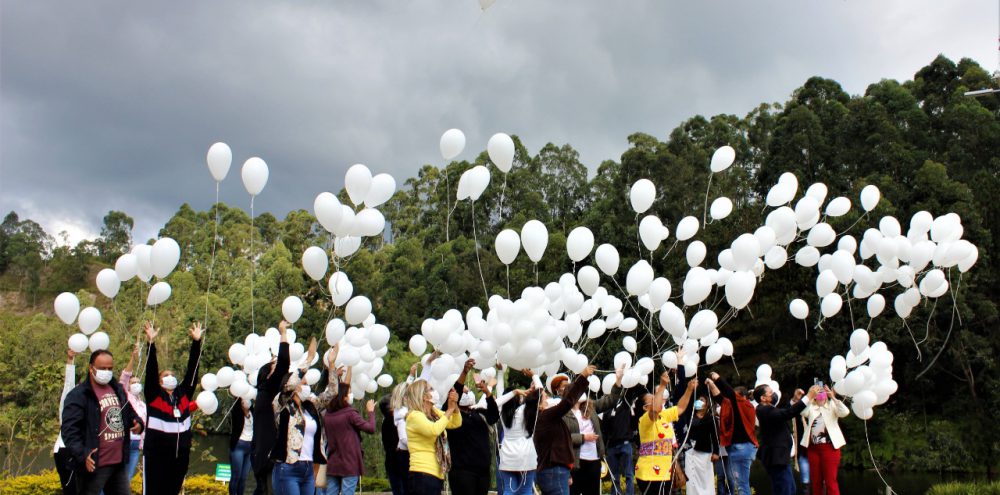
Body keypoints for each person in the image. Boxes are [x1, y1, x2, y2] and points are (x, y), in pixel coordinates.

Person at [61, 348, 144, 495]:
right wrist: (82, 454)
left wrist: (137, 422)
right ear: (91, 368)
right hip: (94, 464)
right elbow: (69, 431)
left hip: (118, 461)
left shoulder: (117, 389)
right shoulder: (79, 395)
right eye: (102, 368)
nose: (106, 371)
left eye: (110, 368)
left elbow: (128, 411)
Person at [142, 320, 203, 495]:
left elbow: (193, 370)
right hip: (156, 456)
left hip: (180, 456)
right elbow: (151, 371)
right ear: (160, 382)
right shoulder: (154, 396)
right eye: (166, 376)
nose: (170, 377)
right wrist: (151, 344)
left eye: (172, 375)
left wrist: (196, 342)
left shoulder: (183, 394)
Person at [270, 339, 326, 495]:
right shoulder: (281, 404)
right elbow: (290, 385)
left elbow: (330, 395)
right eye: (303, 382)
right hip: (288, 468)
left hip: (307, 469)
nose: (306, 385)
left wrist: (332, 368)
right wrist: (309, 359)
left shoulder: (310, 407)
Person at [533, 365, 596, 495]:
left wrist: (567, 474)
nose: (548, 399)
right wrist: (582, 377)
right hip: (554, 471)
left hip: (554, 470)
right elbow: (567, 402)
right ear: (540, 404)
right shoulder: (546, 415)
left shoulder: (542, 418)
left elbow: (555, 446)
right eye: (545, 398)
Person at [635, 372, 695, 495]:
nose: (659, 399)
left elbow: (680, 408)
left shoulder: (664, 415)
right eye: (654, 399)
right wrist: (662, 386)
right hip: (649, 474)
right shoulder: (645, 419)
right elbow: (655, 409)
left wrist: (689, 390)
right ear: (645, 407)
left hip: (665, 471)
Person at [567, 367, 623, 495]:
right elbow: (564, 437)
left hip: (594, 459)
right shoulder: (564, 413)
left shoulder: (589, 407)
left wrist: (618, 379)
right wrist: (583, 437)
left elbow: (610, 400)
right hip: (576, 461)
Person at [753, 383, 818, 495]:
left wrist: (794, 400)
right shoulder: (764, 410)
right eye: (770, 393)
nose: (773, 394)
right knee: (785, 489)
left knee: (789, 488)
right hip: (776, 457)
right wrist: (809, 397)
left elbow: (782, 413)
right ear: (763, 398)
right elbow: (787, 413)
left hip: (779, 457)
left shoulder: (767, 409)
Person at [252, 321, 293, 495]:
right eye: (273, 367)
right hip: (269, 458)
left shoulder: (265, 395)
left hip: (264, 456)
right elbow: (284, 362)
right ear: (268, 375)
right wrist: (283, 332)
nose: (279, 370)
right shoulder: (268, 391)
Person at [448, 361, 500, 495]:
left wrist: (488, 393)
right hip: (462, 471)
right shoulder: (451, 414)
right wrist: (465, 372)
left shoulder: (478, 412)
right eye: (464, 390)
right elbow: (457, 388)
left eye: (468, 390)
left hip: (482, 471)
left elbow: (494, 416)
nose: (467, 391)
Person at [404, 380, 461, 495]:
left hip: (435, 473)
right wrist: (449, 410)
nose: (434, 392)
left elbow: (455, 423)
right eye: (431, 389)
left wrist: (454, 406)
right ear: (424, 396)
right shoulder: (414, 416)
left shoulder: (433, 412)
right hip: (422, 473)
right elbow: (434, 430)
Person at [323, 375, 377, 495]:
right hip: (350, 463)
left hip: (333, 463)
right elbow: (371, 428)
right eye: (349, 393)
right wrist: (371, 412)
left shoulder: (327, 415)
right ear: (344, 396)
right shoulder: (350, 414)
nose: (351, 395)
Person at [705, 372, 757, 495]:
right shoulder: (732, 405)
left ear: (742, 397)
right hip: (736, 447)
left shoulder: (745, 405)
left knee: (742, 485)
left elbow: (728, 394)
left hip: (742, 447)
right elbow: (720, 398)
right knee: (741, 484)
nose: (730, 398)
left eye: (734, 396)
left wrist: (716, 377)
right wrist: (712, 385)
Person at [496, 371, 541, 495]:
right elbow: (540, 391)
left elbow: (499, 398)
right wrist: (534, 375)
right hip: (526, 457)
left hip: (507, 457)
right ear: (518, 398)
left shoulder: (502, 412)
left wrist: (500, 373)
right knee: (526, 490)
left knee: (508, 490)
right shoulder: (524, 411)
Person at [800, 385, 849, 495]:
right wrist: (810, 397)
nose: (821, 395)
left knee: (830, 481)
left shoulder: (832, 406)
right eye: (818, 393)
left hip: (830, 449)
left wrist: (833, 398)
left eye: (823, 393)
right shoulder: (811, 408)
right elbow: (803, 412)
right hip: (813, 449)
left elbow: (845, 412)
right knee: (816, 482)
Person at [601, 386, 642, 495]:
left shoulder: (624, 405)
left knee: (628, 473)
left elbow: (630, 392)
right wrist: (603, 447)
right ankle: (615, 493)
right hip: (612, 446)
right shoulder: (606, 412)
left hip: (625, 443)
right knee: (614, 475)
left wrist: (626, 377)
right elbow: (604, 431)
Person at [118, 339, 147, 486]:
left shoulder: (142, 404)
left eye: (137, 382)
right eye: (132, 382)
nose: (135, 384)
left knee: (127, 479)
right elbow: (125, 376)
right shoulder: (124, 395)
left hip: (136, 445)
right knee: (117, 478)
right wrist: (132, 358)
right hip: (123, 441)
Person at [683, 393, 720, 495]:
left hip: (704, 451)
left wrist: (716, 452)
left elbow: (715, 436)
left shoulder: (711, 418)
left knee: (705, 477)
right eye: (698, 399)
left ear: (707, 404)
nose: (699, 401)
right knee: (691, 477)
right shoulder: (690, 417)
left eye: (702, 400)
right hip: (690, 451)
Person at [54, 348, 78, 495]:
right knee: (70, 490)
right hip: (65, 450)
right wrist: (70, 361)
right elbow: (68, 384)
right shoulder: (69, 403)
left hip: (82, 452)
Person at [381, 379, 412, 495]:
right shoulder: (395, 420)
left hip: (394, 463)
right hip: (399, 462)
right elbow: (403, 439)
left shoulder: (388, 421)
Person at [228, 398, 254, 495]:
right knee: (236, 476)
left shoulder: (252, 411)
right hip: (239, 445)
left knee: (244, 478)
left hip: (250, 446)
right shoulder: (236, 411)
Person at [789, 391, 810, 493]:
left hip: (820, 446)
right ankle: (806, 488)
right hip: (804, 445)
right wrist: (795, 400)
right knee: (803, 459)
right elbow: (793, 410)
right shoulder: (803, 411)